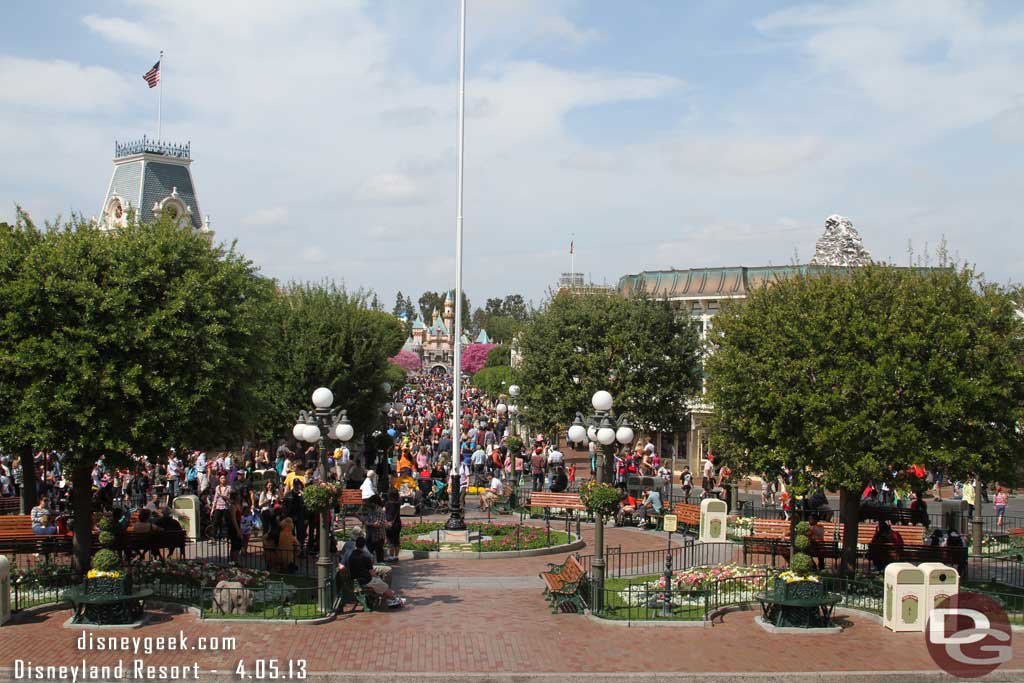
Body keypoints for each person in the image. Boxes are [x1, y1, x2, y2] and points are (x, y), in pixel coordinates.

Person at [347, 536, 406, 608]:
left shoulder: (351, 555)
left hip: (357, 579)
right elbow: (372, 573)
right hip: (366, 581)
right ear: (364, 545)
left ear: (356, 545)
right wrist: (378, 578)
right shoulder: (365, 556)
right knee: (387, 589)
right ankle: (394, 599)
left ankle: (389, 596)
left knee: (383, 584)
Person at [384, 490, 402, 562]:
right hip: (397, 523)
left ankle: (391, 556)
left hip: (390, 523)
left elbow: (386, 512)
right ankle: (396, 556)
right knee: (396, 540)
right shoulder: (398, 503)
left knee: (390, 541)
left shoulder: (388, 504)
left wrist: (388, 522)